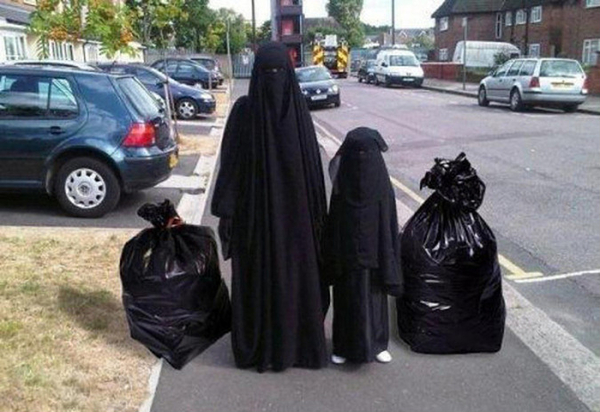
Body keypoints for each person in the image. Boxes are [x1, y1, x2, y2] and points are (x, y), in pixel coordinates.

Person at [211, 42, 329, 372]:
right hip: (258, 222)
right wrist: (228, 212)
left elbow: (313, 174)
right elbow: (231, 166)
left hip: (291, 224)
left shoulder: (299, 116)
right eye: (267, 73)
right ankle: (277, 345)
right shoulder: (248, 113)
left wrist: (317, 221)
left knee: (287, 281)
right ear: (256, 75)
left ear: (288, 75)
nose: (273, 79)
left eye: (278, 72)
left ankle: (292, 346)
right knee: (272, 279)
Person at [322, 127, 402, 364]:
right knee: (347, 298)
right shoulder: (341, 188)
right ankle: (342, 347)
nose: (361, 160)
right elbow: (334, 225)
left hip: (375, 254)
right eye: (356, 153)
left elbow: (389, 224)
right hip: (347, 256)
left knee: (374, 296)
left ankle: (378, 344)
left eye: (366, 153)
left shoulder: (382, 187)